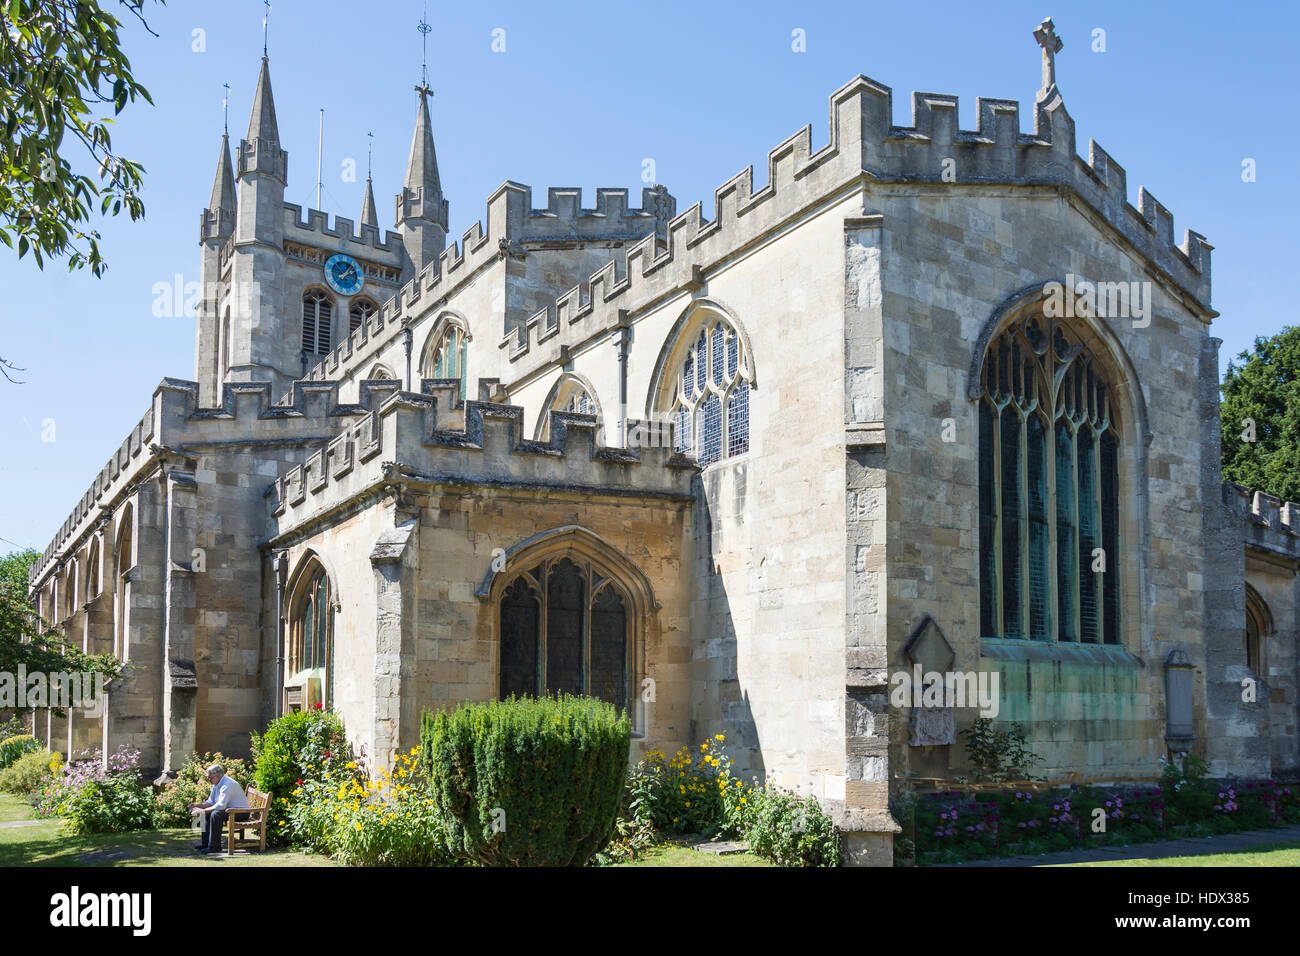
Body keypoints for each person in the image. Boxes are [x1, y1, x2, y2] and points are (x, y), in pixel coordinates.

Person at [187, 764, 249, 854]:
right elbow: (211, 802)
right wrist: (197, 805)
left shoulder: (227, 784)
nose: (208, 780)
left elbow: (221, 806)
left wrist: (202, 810)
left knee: (215, 814)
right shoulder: (216, 783)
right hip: (230, 810)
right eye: (208, 777)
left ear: (218, 776)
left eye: (210, 777)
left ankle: (214, 847)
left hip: (241, 812)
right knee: (209, 813)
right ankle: (206, 844)